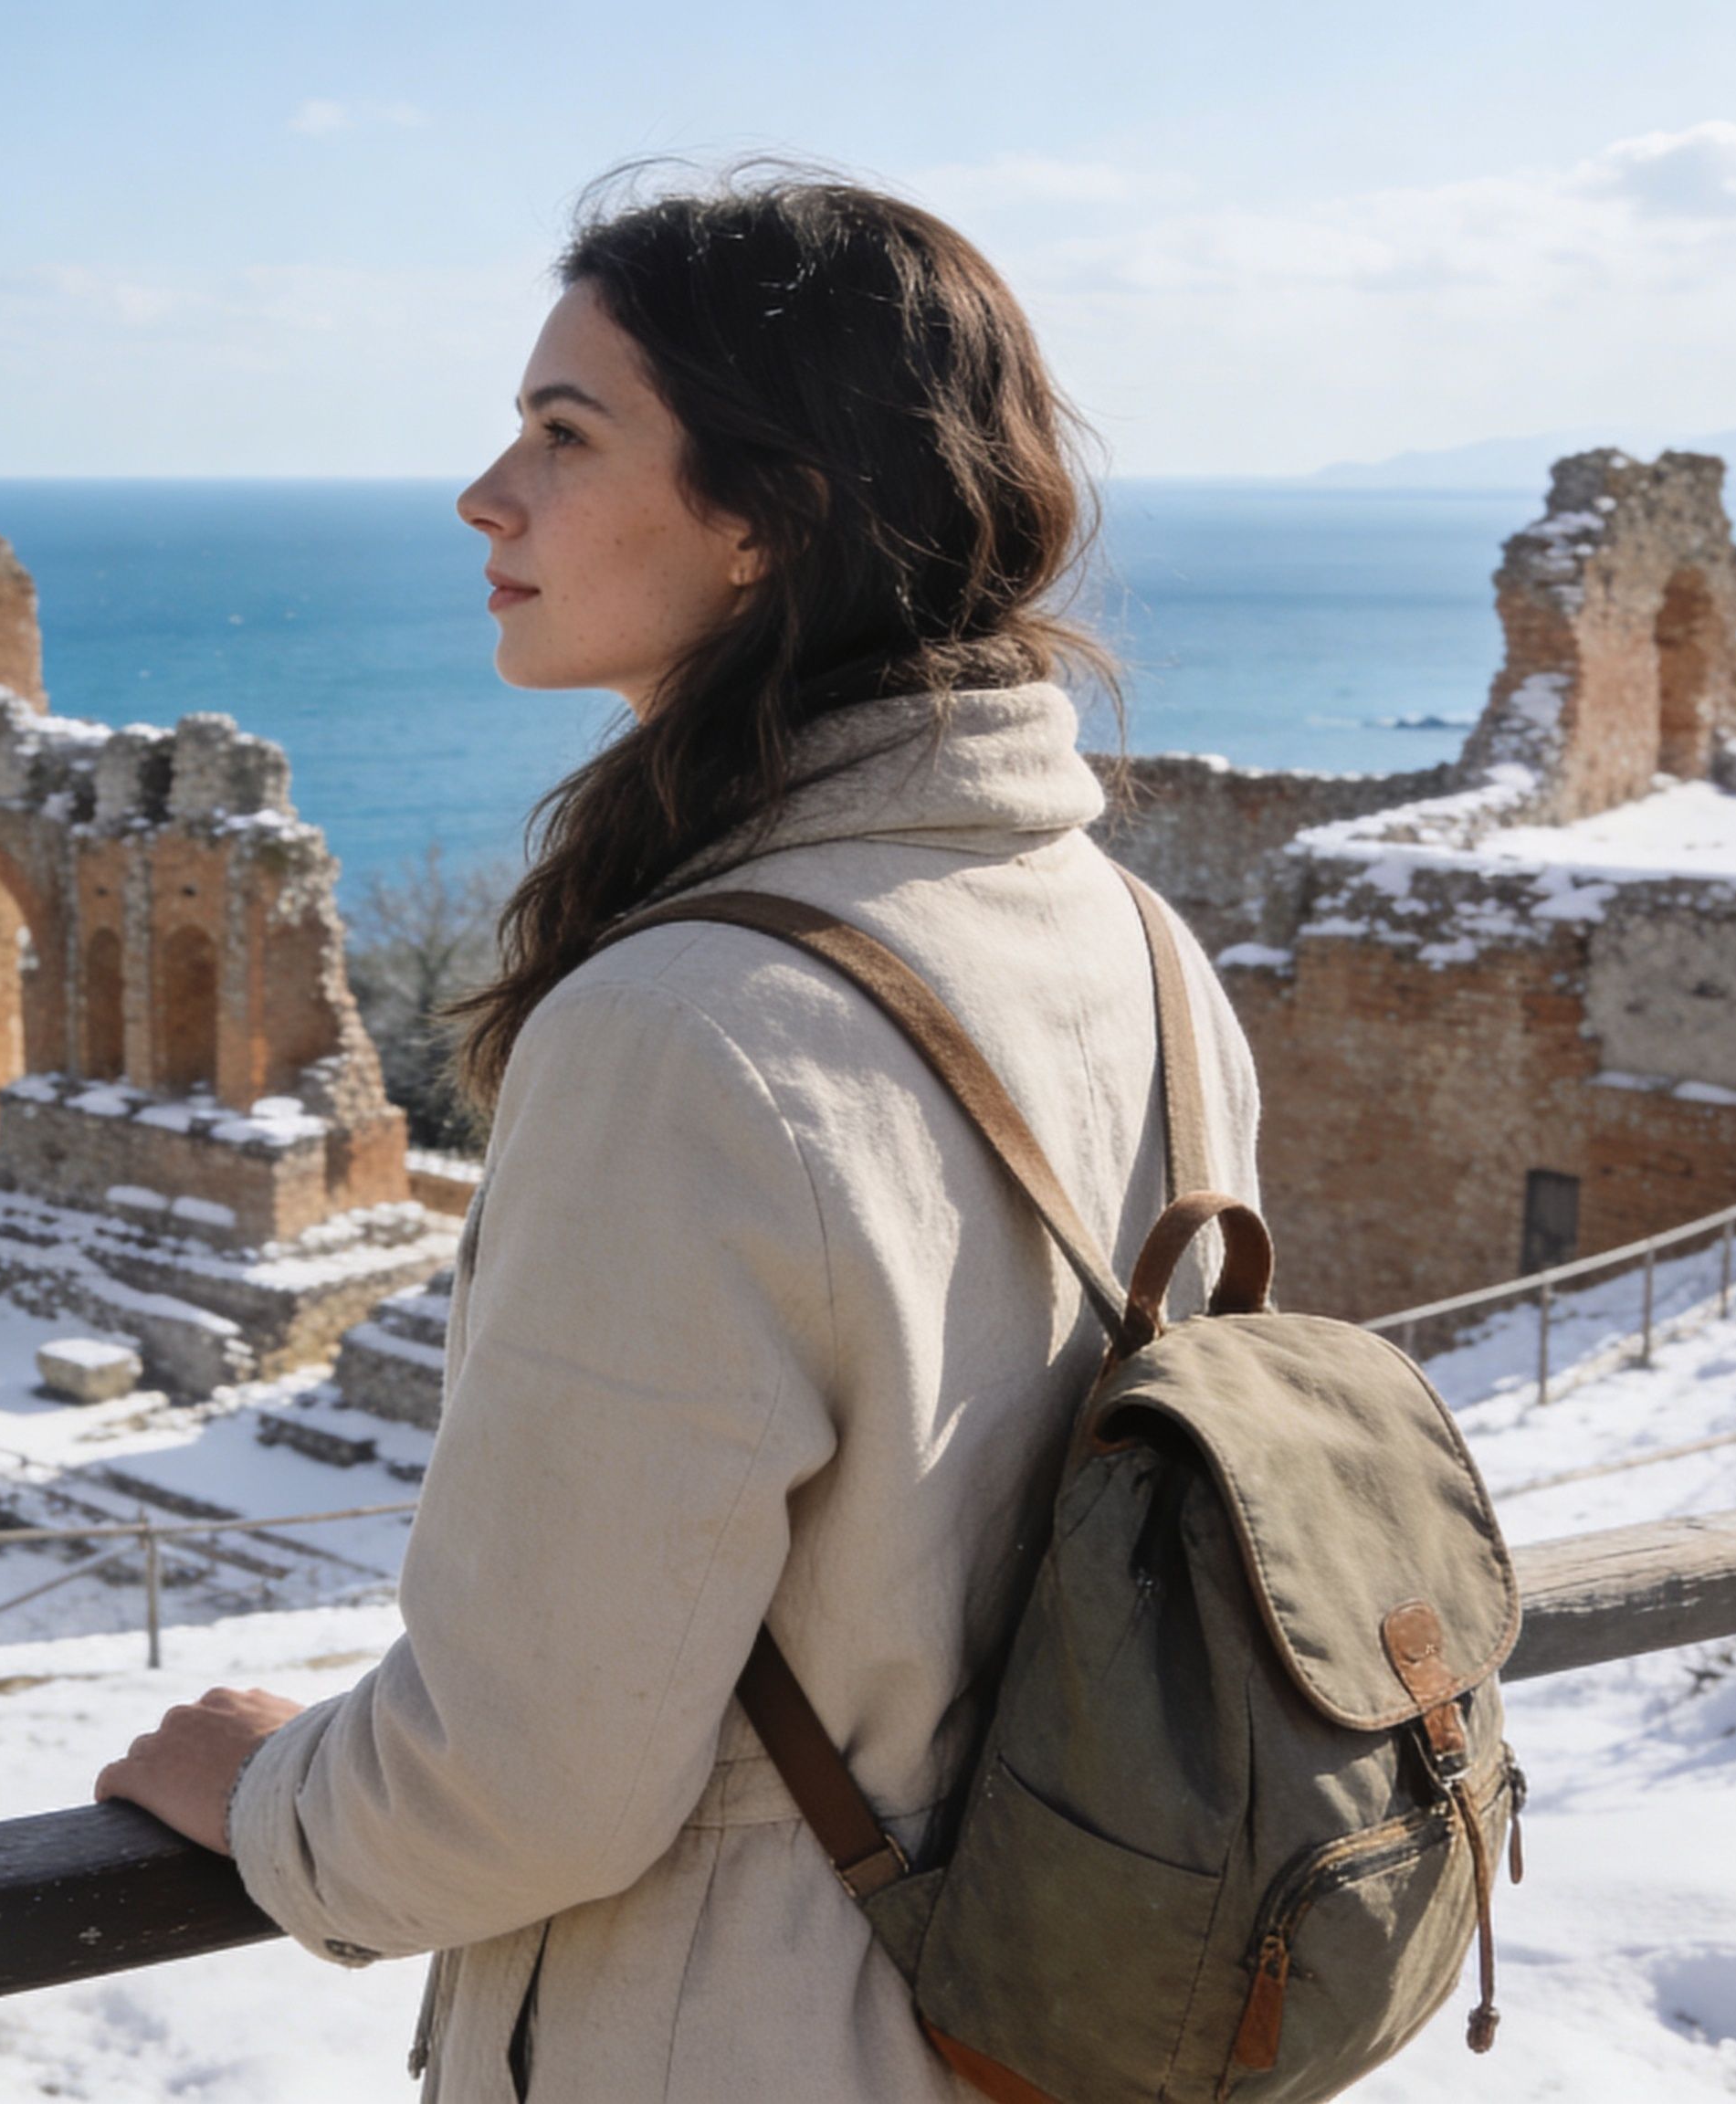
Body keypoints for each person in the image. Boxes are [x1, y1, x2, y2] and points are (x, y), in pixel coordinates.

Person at [96, 169, 1263, 2101]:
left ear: (763, 517)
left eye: (563, 435)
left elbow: (525, 1781)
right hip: (1065, 2008)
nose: (487, 495)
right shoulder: (1132, 941)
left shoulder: (677, 1032)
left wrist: (274, 1795)